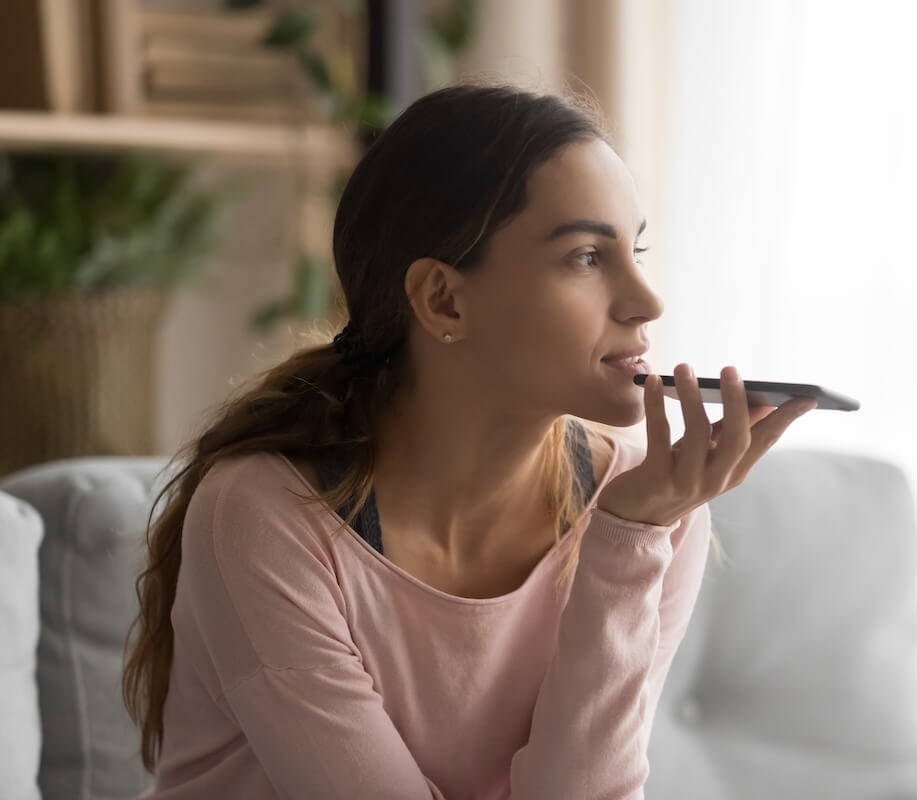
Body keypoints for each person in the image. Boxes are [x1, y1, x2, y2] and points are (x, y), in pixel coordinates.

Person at [122, 83, 816, 799]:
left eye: (636, 250)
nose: (646, 301)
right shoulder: (266, 514)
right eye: (586, 256)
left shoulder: (650, 510)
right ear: (443, 299)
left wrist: (631, 536)